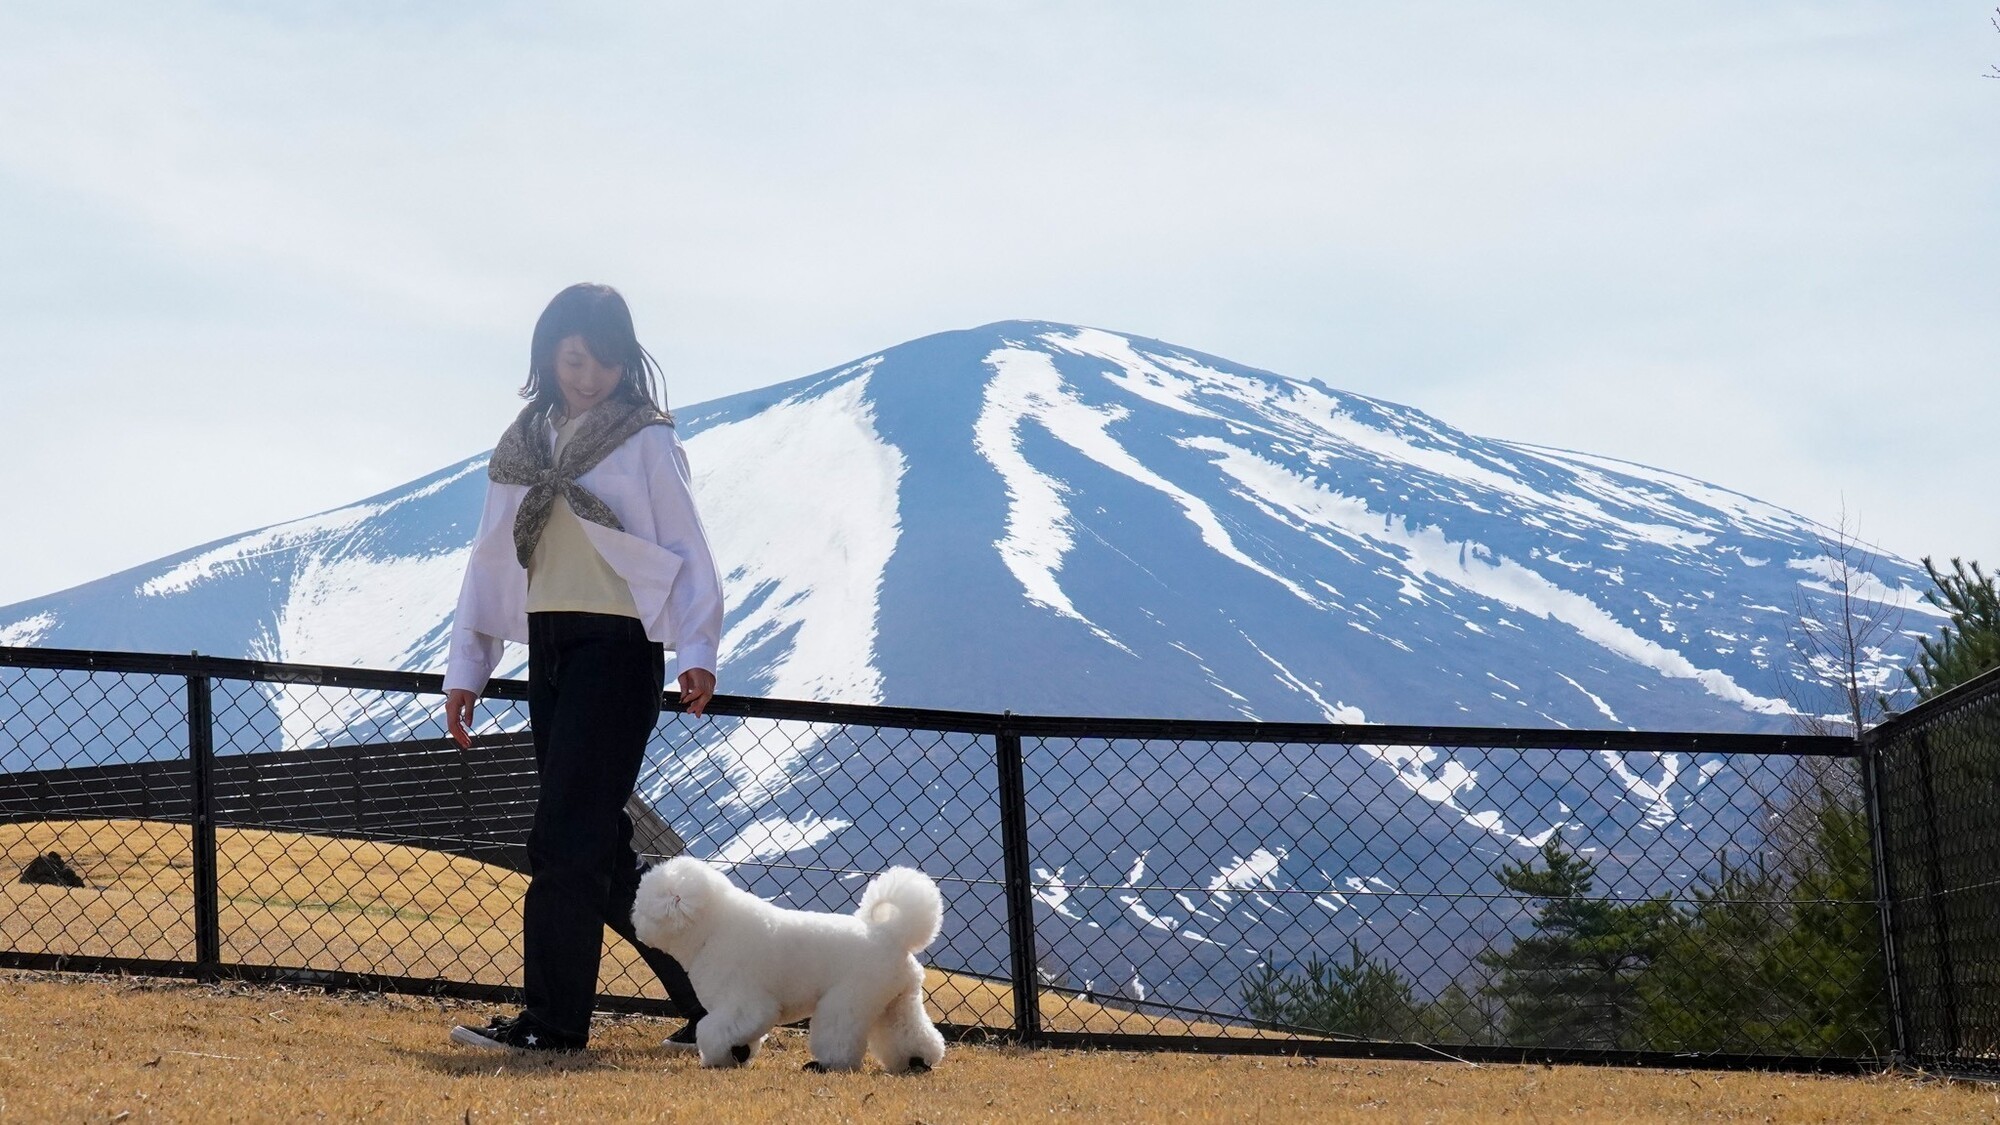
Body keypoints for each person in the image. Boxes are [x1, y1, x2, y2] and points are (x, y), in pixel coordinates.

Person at [440, 283, 724, 1053]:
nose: (589, 375)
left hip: (619, 651)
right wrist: (467, 667)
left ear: (626, 362)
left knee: (564, 837)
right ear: (548, 356)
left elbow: (689, 547)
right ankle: (723, 999)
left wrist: (696, 650)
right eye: (574, 359)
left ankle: (553, 1024)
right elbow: (491, 560)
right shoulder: (522, 444)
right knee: (595, 846)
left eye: (604, 361)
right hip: (551, 650)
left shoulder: (647, 439)